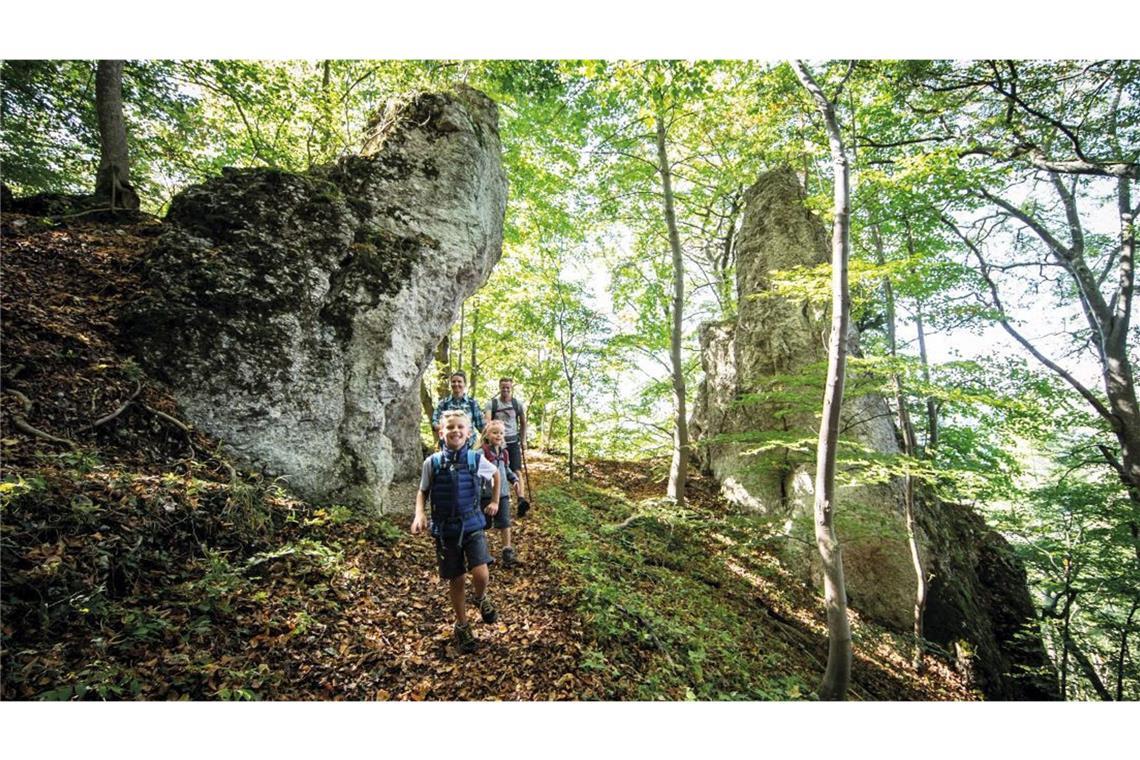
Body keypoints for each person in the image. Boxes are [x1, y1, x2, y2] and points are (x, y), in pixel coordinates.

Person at [411, 410, 500, 653]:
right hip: (445, 530)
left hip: (472, 524)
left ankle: (481, 598)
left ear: (469, 433)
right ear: (441, 433)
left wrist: (495, 501)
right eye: (450, 427)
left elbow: (495, 474)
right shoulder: (433, 462)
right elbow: (423, 491)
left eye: (461, 427)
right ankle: (462, 624)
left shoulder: (474, 459)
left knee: (480, 573)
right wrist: (420, 514)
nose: (455, 431)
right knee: (457, 578)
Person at [481, 420, 523, 568]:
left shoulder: (504, 452)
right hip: (485, 495)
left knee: (505, 523)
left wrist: (514, 479)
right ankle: (482, 554)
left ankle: (507, 553)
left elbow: (506, 469)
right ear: (487, 434)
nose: (498, 435)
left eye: (501, 433)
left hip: (503, 494)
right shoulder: (482, 452)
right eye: (494, 432)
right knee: (483, 525)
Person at [484, 377, 526, 480]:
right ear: (499, 387)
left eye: (508, 388)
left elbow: (523, 423)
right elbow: (487, 423)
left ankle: (521, 496)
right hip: (497, 442)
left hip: (513, 442)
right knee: (499, 469)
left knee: (517, 470)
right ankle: (502, 494)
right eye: (503, 387)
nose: (505, 390)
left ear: (511, 388)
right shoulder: (492, 404)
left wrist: (523, 440)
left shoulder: (517, 404)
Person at [431, 371, 484, 449]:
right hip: (448, 446)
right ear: (450, 384)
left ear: (464, 384)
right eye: (453, 382)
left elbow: (481, 426)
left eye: (459, 381)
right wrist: (446, 428)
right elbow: (434, 422)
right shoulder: (443, 403)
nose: (456, 384)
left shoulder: (472, 403)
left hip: (470, 446)